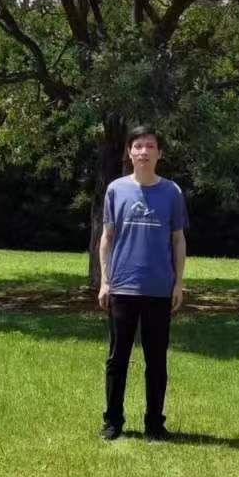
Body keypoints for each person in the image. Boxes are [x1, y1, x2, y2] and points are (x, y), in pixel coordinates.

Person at [98, 126, 188, 442]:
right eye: (138, 146)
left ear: (159, 153)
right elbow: (107, 238)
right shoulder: (116, 190)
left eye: (150, 146)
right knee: (117, 359)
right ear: (129, 152)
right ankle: (113, 421)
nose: (144, 152)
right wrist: (105, 281)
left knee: (157, 361)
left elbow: (178, 240)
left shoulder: (172, 192)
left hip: (159, 289)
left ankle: (154, 423)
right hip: (122, 288)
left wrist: (178, 283)